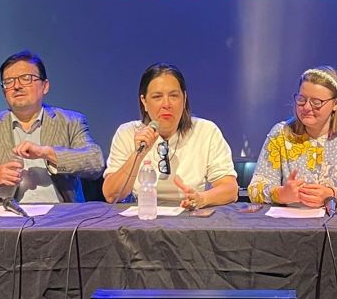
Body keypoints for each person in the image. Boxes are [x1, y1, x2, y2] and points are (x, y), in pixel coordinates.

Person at [0, 50, 104, 204]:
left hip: (61, 214)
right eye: (9, 81)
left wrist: (47, 153)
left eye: (26, 78)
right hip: (5, 215)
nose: (17, 86)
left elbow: (95, 162)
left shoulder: (70, 122)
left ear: (45, 86)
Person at [102, 63, 238, 209]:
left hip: (191, 216)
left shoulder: (206, 131)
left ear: (184, 99)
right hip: (144, 215)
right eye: (157, 97)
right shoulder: (127, 133)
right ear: (144, 102)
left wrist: (202, 198)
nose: (166, 104)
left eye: (173, 96)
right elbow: (111, 195)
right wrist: (138, 154)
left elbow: (230, 189)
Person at [247, 66, 337, 208]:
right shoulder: (280, 133)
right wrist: (281, 194)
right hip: (292, 220)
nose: (306, 108)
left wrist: (332, 194)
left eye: (316, 102)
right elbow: (255, 189)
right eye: (301, 99)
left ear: (336, 104)